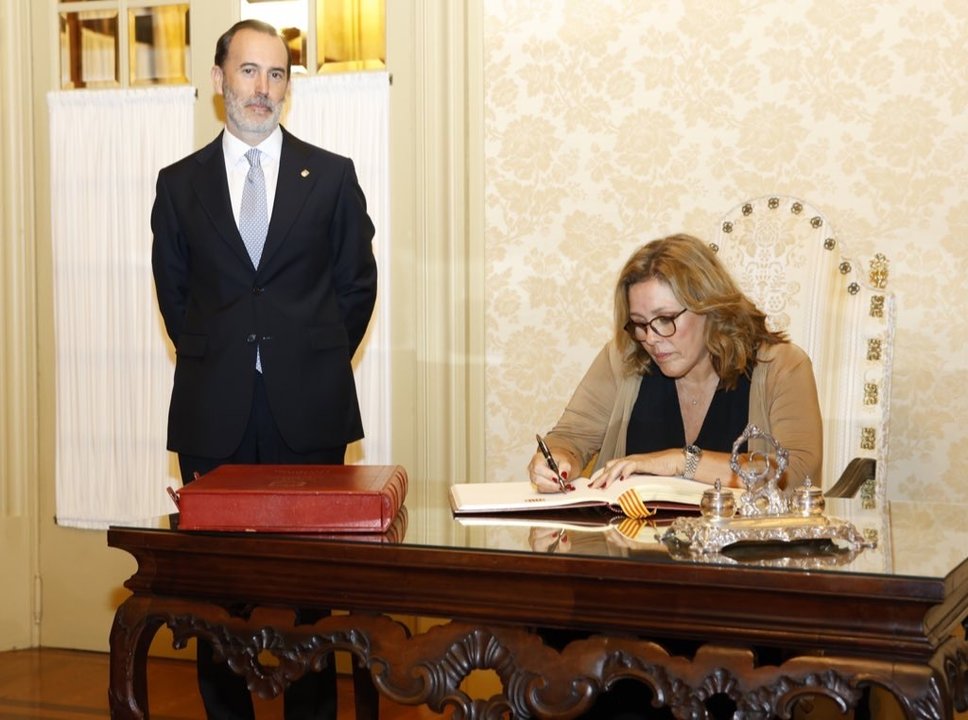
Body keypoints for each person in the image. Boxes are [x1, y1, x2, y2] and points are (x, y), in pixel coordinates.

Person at [151, 19, 377, 720]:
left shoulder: (332, 175)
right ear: (218, 79)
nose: (263, 89)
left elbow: (356, 288)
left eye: (276, 74)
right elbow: (175, 293)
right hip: (212, 413)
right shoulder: (179, 183)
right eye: (248, 71)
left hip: (307, 413)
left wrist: (307, 358)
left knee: (308, 598)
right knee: (219, 601)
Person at [529, 233, 822, 496]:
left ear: (711, 309)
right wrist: (557, 461)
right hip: (633, 550)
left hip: (740, 552)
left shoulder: (780, 365)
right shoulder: (623, 358)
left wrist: (680, 461)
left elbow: (795, 473)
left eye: (665, 320)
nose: (651, 338)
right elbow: (571, 437)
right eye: (640, 324)